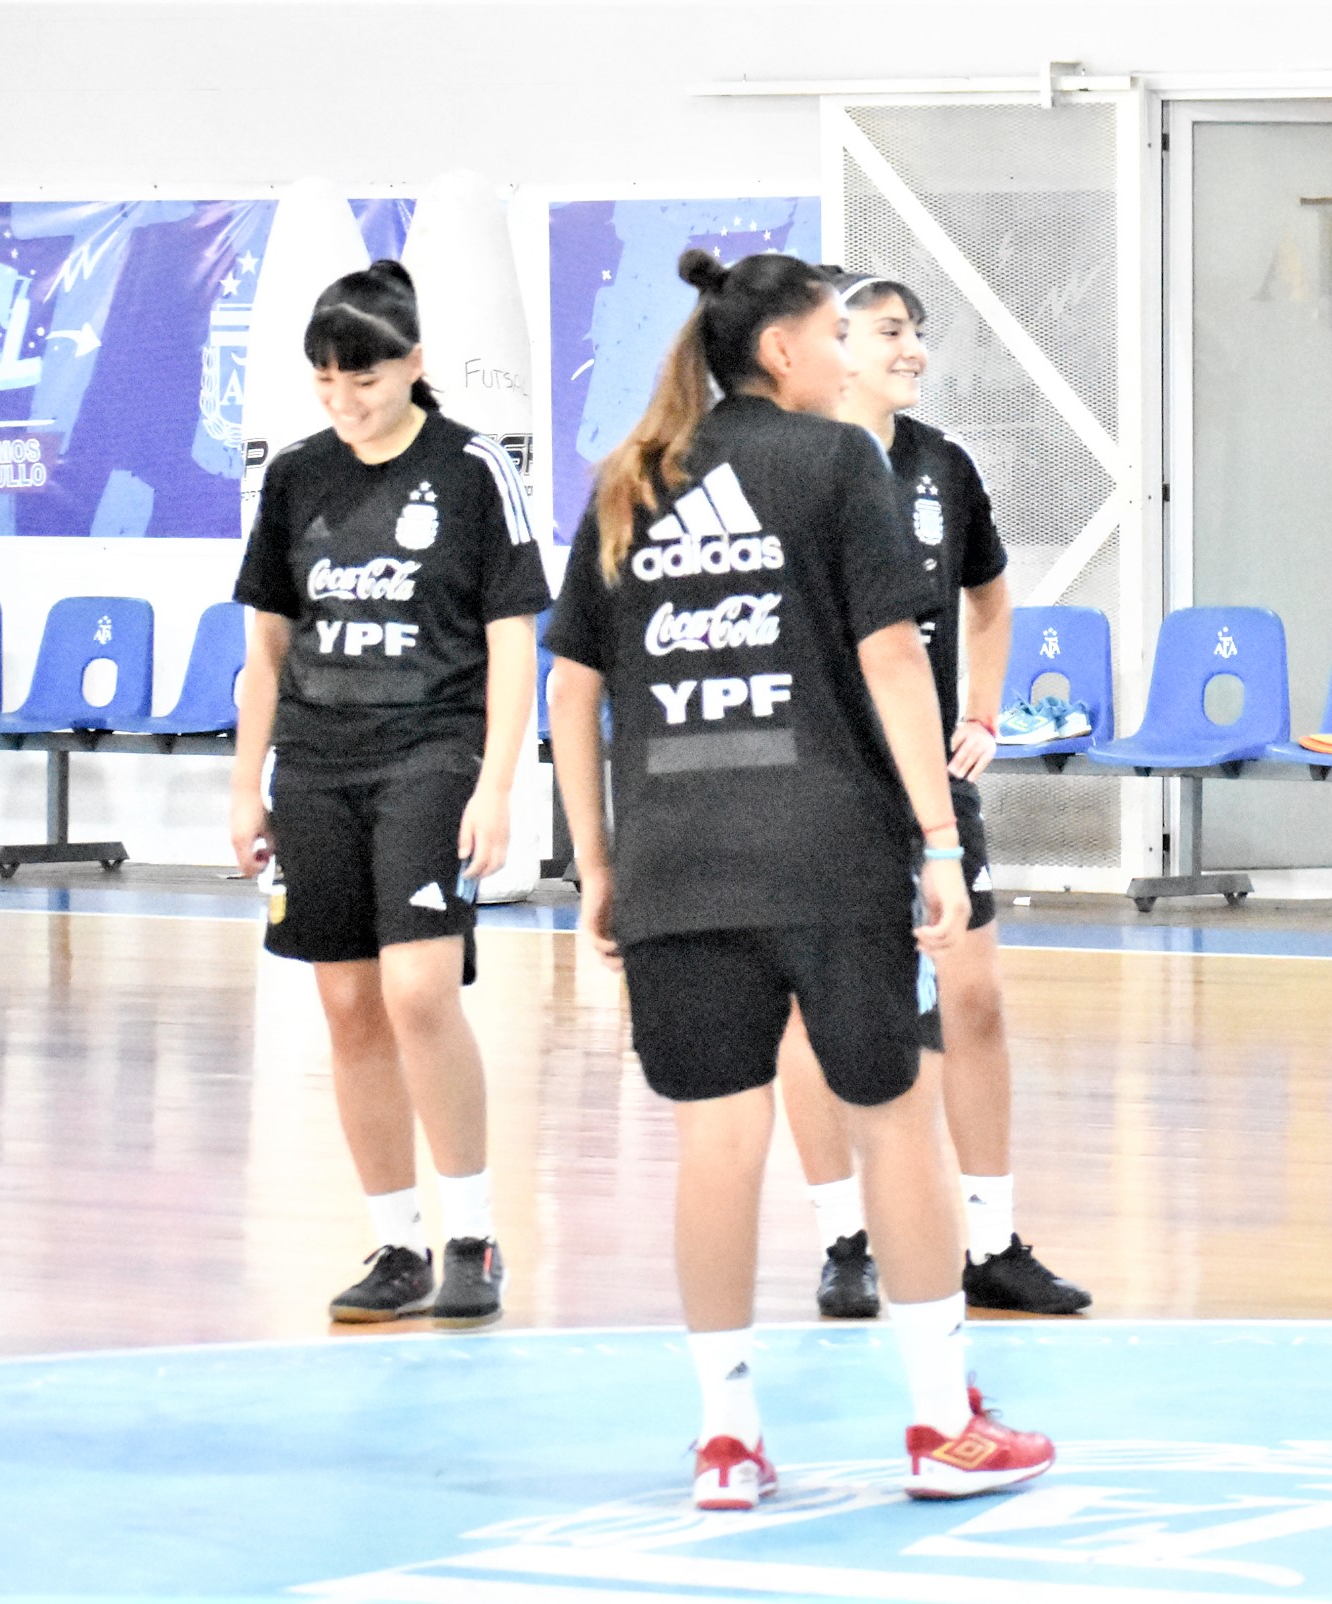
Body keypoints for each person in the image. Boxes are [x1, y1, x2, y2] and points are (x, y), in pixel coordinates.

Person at [543, 249, 1054, 1508]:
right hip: (828, 851)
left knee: (716, 1144)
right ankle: (942, 1425)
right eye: (836, 333)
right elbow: (893, 658)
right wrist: (939, 840)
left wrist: (596, 864)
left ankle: (727, 1439)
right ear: (780, 351)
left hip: (674, 860)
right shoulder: (839, 465)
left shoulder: (631, 480)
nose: (850, 353)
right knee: (894, 1124)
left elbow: (573, 690)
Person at [229, 259, 547, 1329]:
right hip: (315, 763)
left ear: (413, 364)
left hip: (431, 749)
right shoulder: (297, 476)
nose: (344, 399)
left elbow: (515, 639)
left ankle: (472, 1229)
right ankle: (397, 1241)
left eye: (362, 378)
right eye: (324, 381)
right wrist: (246, 784)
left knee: (418, 991)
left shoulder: (470, 470)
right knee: (348, 1003)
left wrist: (501, 780)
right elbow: (266, 648)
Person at [778, 272, 1091, 1321]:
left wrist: (986, 711)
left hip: (928, 778)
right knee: (815, 1014)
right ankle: (844, 1237)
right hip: (814, 777)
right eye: (891, 331)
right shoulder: (789, 465)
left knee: (974, 1000)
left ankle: (992, 1239)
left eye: (918, 332)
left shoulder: (943, 468)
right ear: (836, 345)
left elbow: (990, 597)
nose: (912, 349)